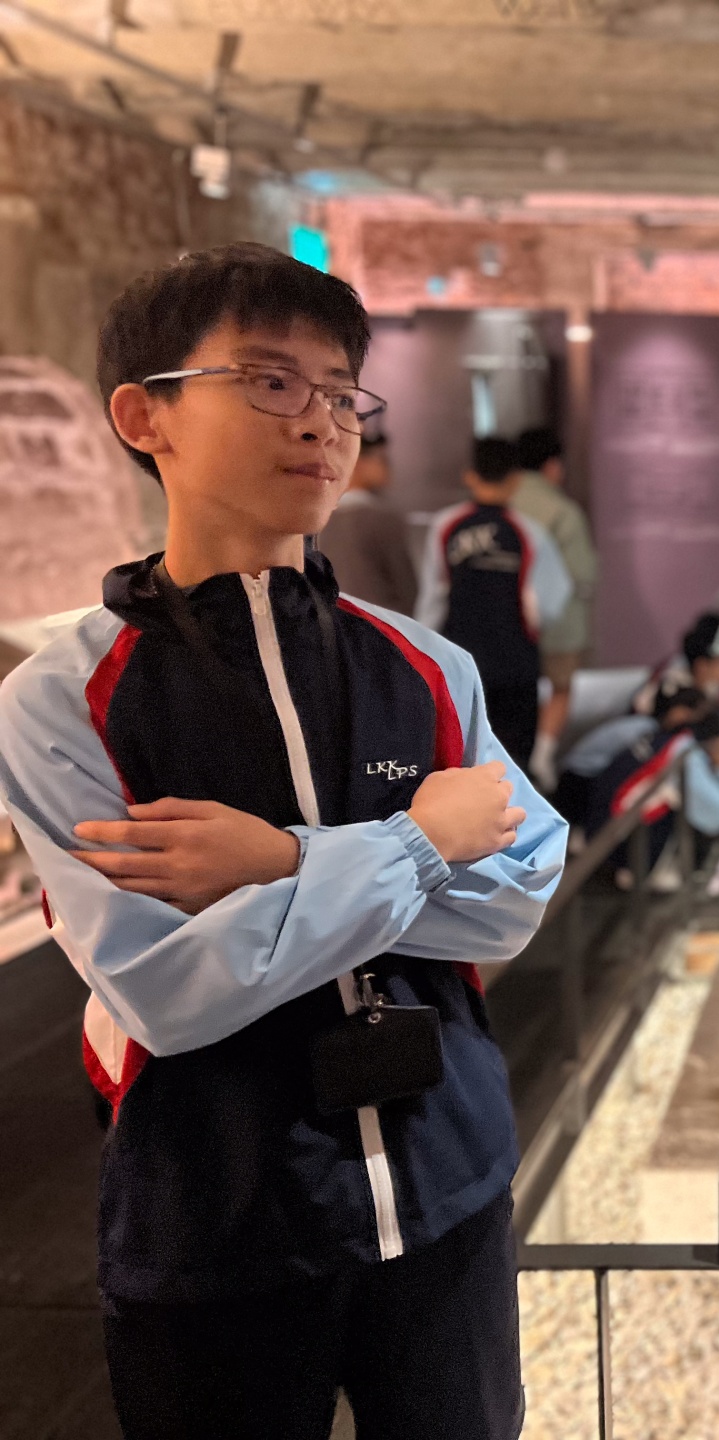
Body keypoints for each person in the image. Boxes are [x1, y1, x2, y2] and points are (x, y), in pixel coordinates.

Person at [0, 241, 566, 1439]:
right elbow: (169, 990)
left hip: (449, 1187)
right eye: (268, 381)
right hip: (218, 1221)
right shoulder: (65, 702)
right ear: (144, 416)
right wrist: (417, 845)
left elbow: (518, 895)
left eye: (341, 393)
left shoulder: (426, 665)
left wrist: (284, 862)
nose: (320, 421)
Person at [417, 436, 572, 770]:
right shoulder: (528, 532)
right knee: (513, 761)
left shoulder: (446, 526)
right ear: (516, 480)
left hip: (458, 661)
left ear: (470, 475)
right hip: (516, 662)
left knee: (461, 758)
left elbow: (432, 598)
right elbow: (552, 601)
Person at [510, 427, 599, 791]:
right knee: (560, 687)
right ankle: (542, 757)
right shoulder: (563, 511)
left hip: (509, 620)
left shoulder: (504, 501)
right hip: (559, 621)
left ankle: (512, 756)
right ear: (552, 465)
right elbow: (583, 572)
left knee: (516, 692)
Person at [315, 431, 417, 612]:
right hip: (381, 620)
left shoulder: (316, 519)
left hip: (333, 620)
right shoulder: (382, 517)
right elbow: (407, 586)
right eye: (380, 459)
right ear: (357, 463)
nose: (387, 467)